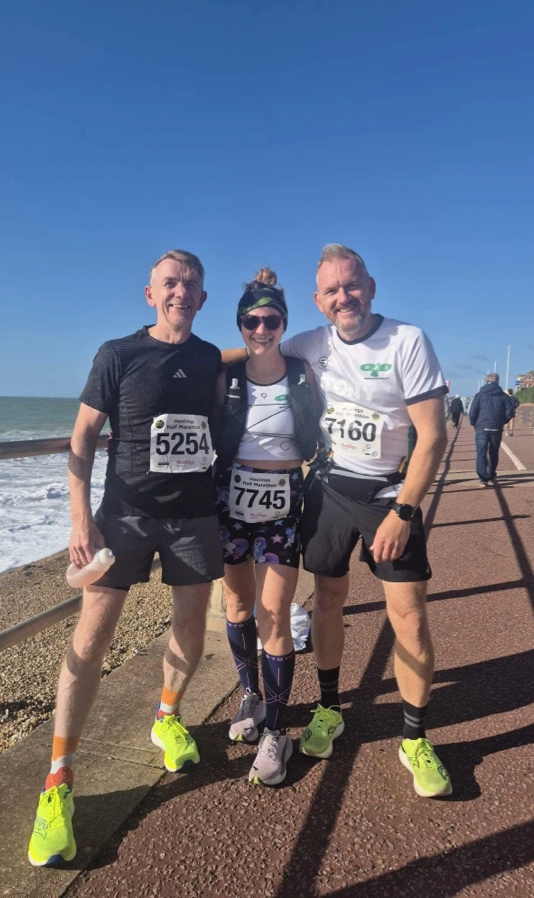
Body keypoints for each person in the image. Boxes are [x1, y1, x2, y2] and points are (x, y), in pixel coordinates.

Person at [28, 250, 224, 866]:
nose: (180, 292)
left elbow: (228, 385)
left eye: (190, 284)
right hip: (125, 516)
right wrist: (79, 517)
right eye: (170, 283)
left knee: (192, 630)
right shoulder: (117, 355)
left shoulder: (211, 357)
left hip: (193, 517)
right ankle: (58, 779)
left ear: (202, 297)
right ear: (149, 294)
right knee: (91, 638)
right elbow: (83, 435)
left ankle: (167, 715)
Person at [277, 244, 452, 798]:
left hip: (388, 496)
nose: (343, 297)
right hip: (328, 490)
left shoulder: (407, 340)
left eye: (351, 285)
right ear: (318, 301)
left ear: (371, 286)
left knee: (410, 619)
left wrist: (405, 510)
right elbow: (255, 351)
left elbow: (433, 436)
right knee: (327, 601)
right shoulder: (310, 343)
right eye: (331, 290)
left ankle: (415, 738)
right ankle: (329, 708)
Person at [214, 268, 320, 786]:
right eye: (251, 321)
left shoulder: (303, 372)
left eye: (270, 319)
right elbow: (195, 362)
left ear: (284, 322)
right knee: (236, 606)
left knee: (275, 613)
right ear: (240, 326)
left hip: (283, 504)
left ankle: (278, 730)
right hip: (230, 503)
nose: (261, 328)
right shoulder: (225, 376)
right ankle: (250, 697)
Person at [468, 373, 515, 487]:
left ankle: (483, 479)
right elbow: (510, 413)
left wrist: (474, 423)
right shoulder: (504, 396)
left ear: (486, 381)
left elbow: (472, 412)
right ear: (497, 381)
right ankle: (491, 473)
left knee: (481, 453)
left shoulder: (479, 395)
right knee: (494, 452)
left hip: (481, 428)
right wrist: (502, 422)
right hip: (496, 428)